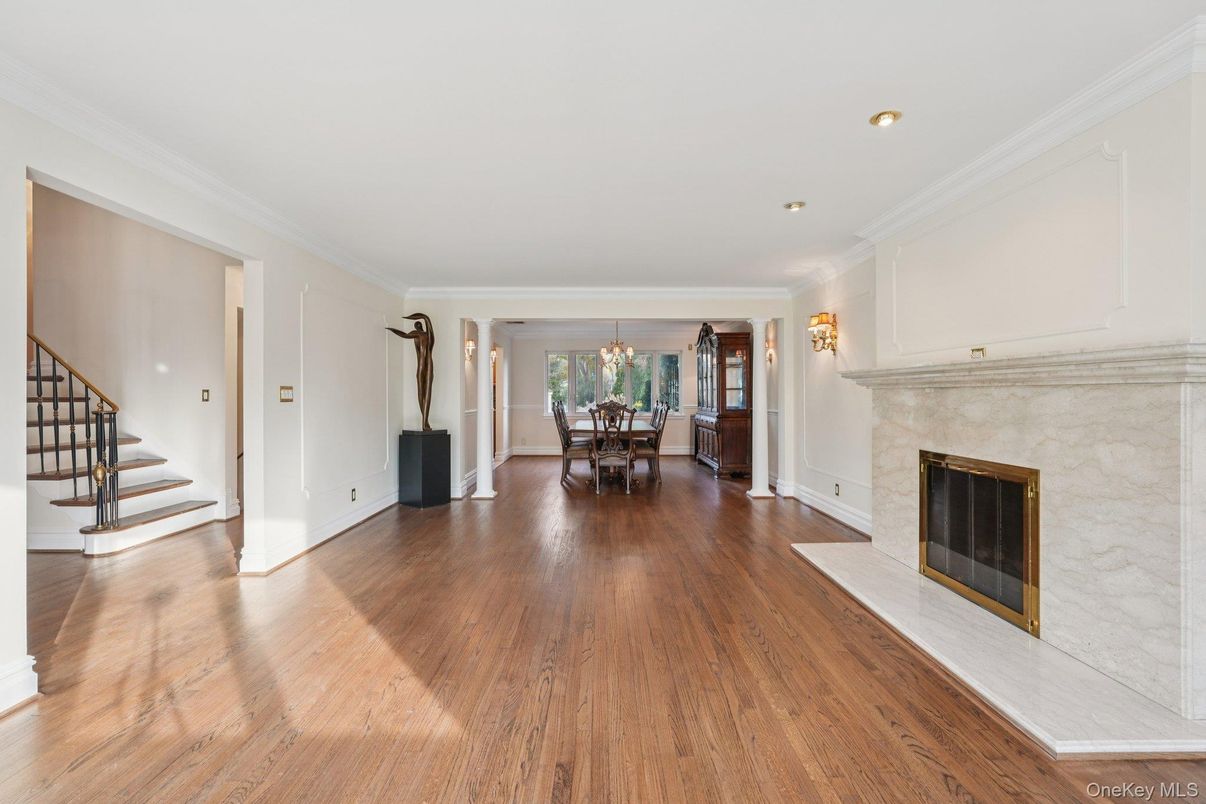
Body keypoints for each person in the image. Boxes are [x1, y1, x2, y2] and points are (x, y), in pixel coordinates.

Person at [388, 313, 434, 431]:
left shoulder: (421, 334)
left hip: (424, 365)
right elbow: (404, 335)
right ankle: (425, 422)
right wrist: (424, 318)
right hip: (426, 365)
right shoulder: (423, 335)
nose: (418, 327)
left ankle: (425, 422)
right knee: (424, 391)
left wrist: (393, 330)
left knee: (424, 391)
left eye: (417, 325)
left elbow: (404, 335)